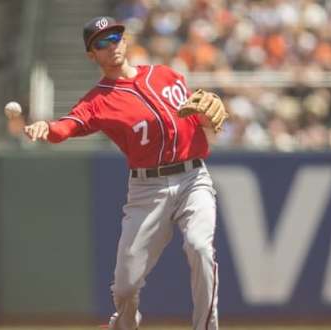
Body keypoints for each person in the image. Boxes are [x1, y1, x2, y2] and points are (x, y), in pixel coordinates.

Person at [24, 16, 227, 330]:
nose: (111, 46)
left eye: (115, 37)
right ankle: (123, 326)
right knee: (126, 286)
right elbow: (68, 126)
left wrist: (205, 119)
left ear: (125, 40)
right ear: (92, 55)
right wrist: (47, 128)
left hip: (193, 178)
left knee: (200, 247)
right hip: (148, 190)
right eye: (101, 43)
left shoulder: (167, 75)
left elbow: (194, 121)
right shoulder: (98, 100)